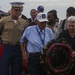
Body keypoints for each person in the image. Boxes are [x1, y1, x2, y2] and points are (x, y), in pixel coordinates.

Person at [0, 2, 27, 75]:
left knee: (17, 69)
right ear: (12, 10)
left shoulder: (23, 22)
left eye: (20, 10)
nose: (18, 12)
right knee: (3, 68)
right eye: (16, 10)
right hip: (6, 46)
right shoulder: (4, 20)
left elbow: (25, 37)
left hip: (18, 47)